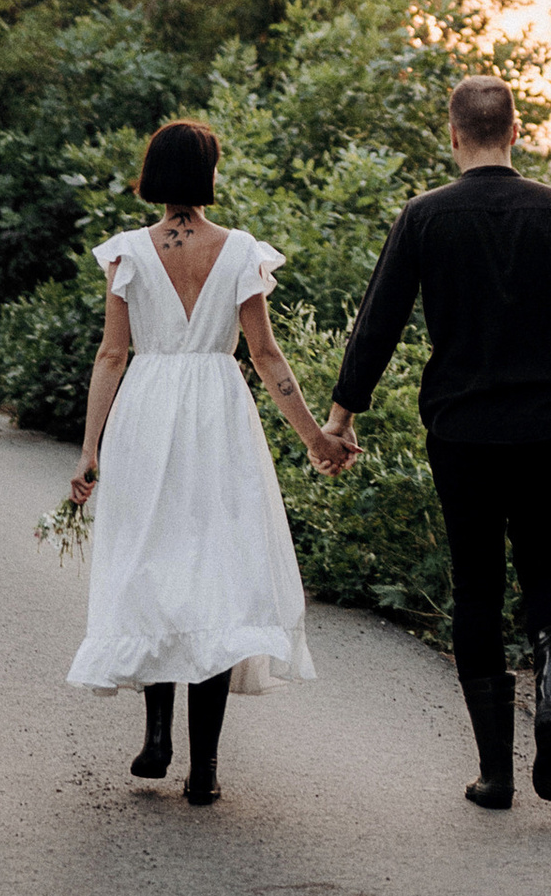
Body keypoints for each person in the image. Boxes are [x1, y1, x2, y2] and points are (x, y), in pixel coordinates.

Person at [325, 74, 551, 811]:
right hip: (546, 425)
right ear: (515, 131)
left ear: (453, 134)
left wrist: (342, 416)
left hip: (461, 430)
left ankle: (495, 772)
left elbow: (378, 323)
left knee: (478, 587)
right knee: (549, 567)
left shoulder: (425, 218)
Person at [64, 117, 348, 804]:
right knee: (216, 576)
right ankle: (207, 770)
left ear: (152, 175)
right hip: (218, 417)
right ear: (209, 175)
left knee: (154, 565)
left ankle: (157, 736)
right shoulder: (242, 251)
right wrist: (315, 435)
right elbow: (266, 355)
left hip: (147, 413)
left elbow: (112, 354)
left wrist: (90, 448)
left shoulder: (129, 252)